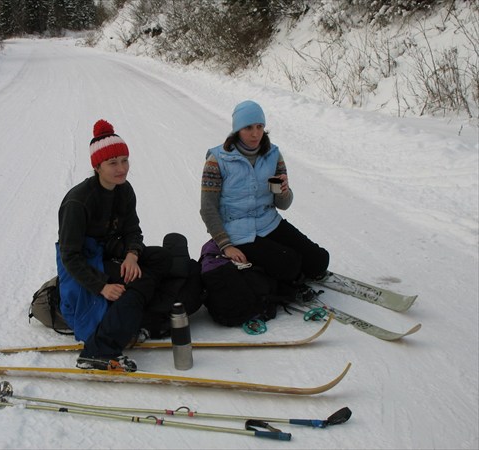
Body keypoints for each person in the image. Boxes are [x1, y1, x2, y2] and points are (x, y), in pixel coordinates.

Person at [57, 119, 171, 372]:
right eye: (112, 163)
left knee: (162, 258)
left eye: (124, 160)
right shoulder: (78, 201)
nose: (121, 169)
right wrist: (102, 287)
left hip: (113, 252)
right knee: (142, 281)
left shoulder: (124, 189)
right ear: (97, 166)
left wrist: (132, 255)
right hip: (87, 260)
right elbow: (69, 255)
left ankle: (134, 312)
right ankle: (99, 349)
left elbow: (133, 230)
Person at [200, 100, 329, 303]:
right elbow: (208, 209)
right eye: (248, 128)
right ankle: (279, 281)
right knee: (290, 264)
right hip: (238, 231)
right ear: (237, 130)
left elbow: (283, 204)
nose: (255, 134)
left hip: (269, 221)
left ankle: (284, 270)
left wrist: (284, 191)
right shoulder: (217, 160)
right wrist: (226, 246)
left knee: (319, 261)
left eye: (260, 127)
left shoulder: (273, 155)